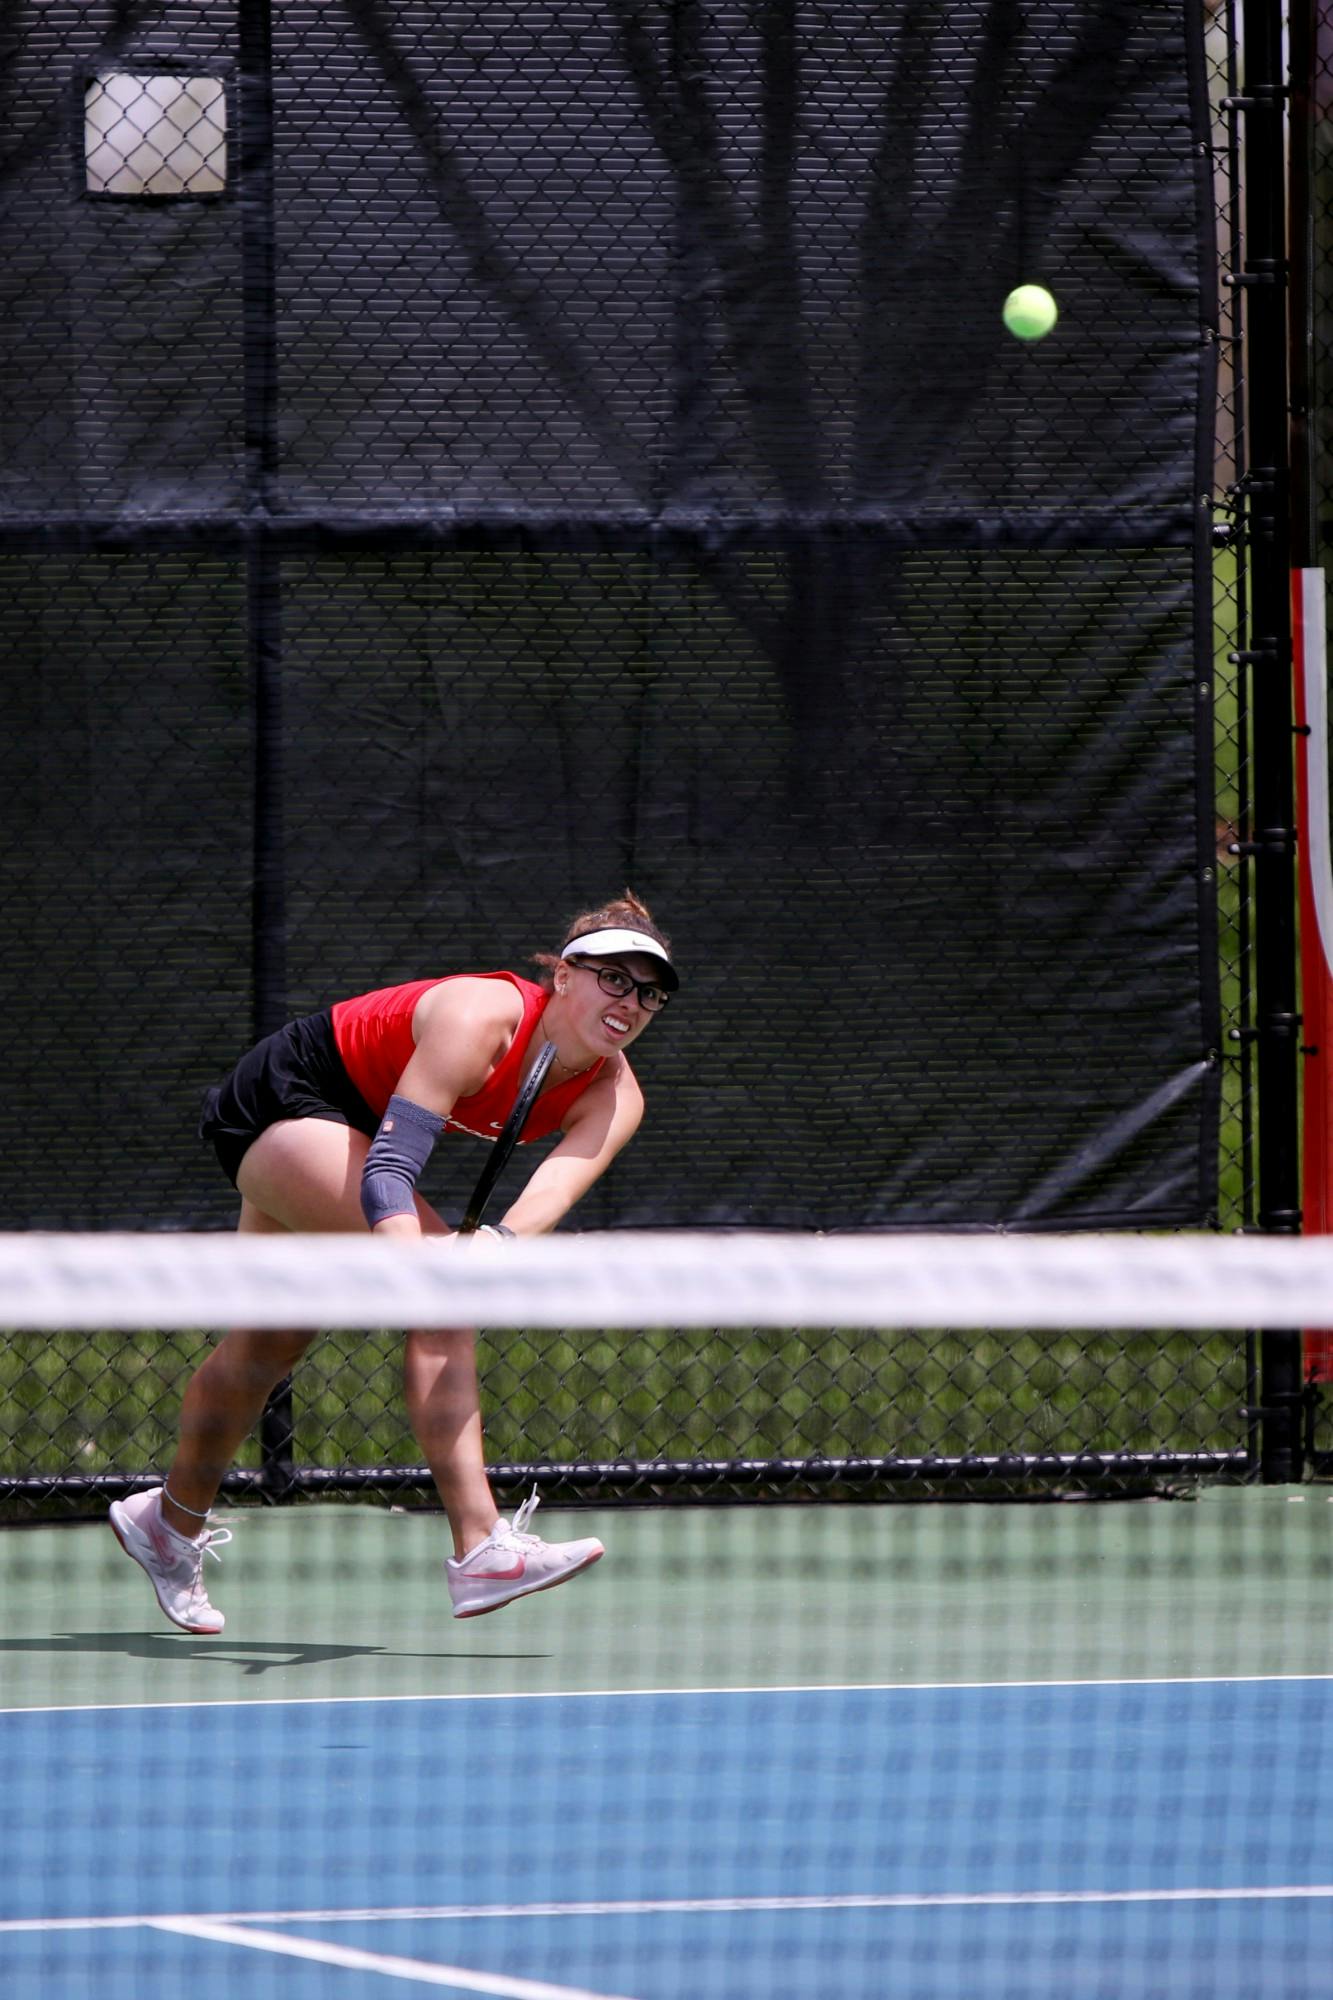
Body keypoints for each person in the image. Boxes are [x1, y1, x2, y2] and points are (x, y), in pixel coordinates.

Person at [110, 893, 677, 1636]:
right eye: (614, 979)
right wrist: (426, 1269)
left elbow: (540, 1204)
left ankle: (168, 1523)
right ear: (564, 975)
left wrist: (492, 1251)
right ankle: (478, 1546)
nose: (630, 1002)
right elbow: (390, 1166)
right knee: (441, 1299)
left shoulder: (614, 1095)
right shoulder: (479, 1015)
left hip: (352, 1130)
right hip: (285, 1102)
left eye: (649, 992)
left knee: (268, 1342)